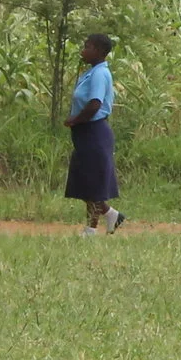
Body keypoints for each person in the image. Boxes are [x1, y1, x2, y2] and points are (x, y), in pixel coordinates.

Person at [64, 33, 123, 236]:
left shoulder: (99, 74)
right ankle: (111, 215)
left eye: (87, 47)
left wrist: (75, 119)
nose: (83, 50)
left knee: (92, 183)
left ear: (98, 50)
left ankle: (91, 229)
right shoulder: (93, 72)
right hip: (86, 133)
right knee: (85, 181)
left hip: (94, 131)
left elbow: (95, 103)